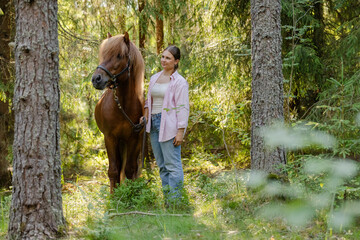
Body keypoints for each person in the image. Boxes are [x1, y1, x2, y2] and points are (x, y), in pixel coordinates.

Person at [141, 45, 189, 203]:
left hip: (169, 125)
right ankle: (168, 201)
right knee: (162, 165)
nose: (163, 60)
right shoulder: (155, 78)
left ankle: (176, 203)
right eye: (162, 57)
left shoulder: (180, 82)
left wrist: (180, 131)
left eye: (168, 58)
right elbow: (148, 101)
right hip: (154, 125)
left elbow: (183, 107)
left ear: (176, 61)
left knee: (172, 164)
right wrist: (146, 117)